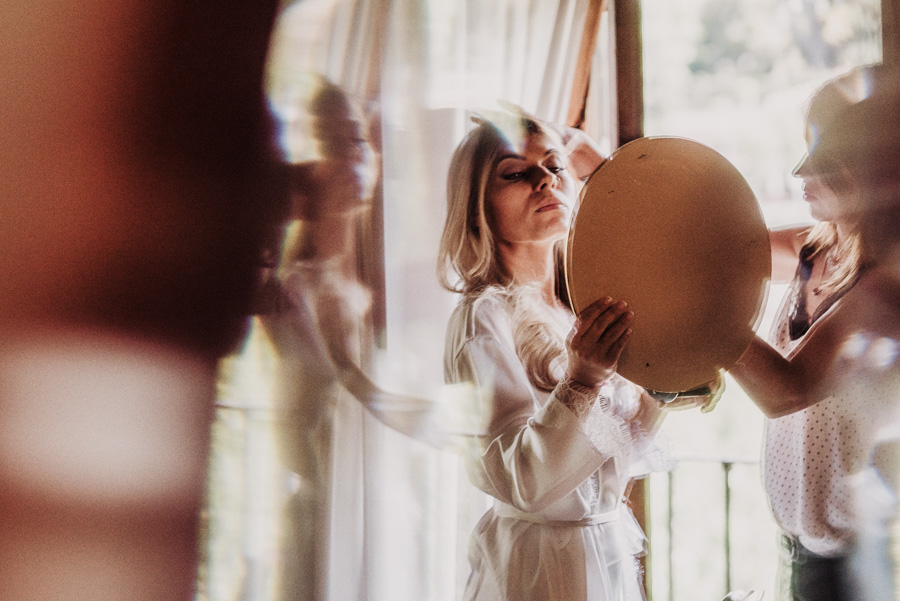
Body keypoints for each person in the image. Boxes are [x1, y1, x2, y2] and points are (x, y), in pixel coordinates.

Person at [438, 113, 715, 601]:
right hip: (539, 569)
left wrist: (665, 384)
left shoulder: (572, 312)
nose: (545, 179)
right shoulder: (482, 320)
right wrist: (583, 379)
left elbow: (610, 451)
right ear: (478, 204)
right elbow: (522, 481)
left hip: (605, 549)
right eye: (516, 172)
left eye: (553, 166)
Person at [729, 65, 900, 601]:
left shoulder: (882, 291)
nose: (801, 178)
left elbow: (787, 389)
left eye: (824, 166)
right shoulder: (813, 249)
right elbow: (725, 246)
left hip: (861, 562)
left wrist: (702, 327)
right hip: (799, 545)